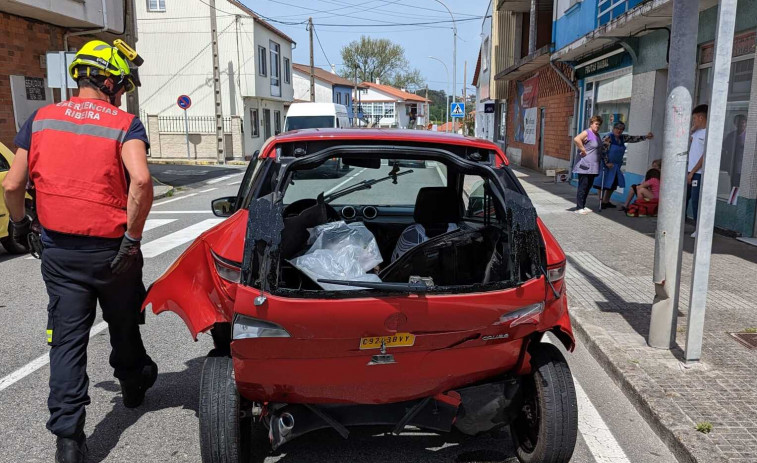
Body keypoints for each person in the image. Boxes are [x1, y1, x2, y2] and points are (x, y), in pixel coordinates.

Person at [1, 40, 155, 463]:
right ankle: (132, 382)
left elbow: (12, 185)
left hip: (61, 252)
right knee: (124, 320)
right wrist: (133, 239)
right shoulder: (125, 124)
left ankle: (69, 440)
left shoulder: (40, 119)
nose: (122, 92)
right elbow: (140, 182)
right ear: (109, 81)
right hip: (113, 252)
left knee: (66, 342)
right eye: (121, 84)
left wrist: (21, 226)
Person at [593, 122, 653, 208]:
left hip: (616, 165)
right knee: (602, 183)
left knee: (613, 184)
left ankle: (606, 201)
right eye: (617, 128)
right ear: (613, 128)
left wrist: (645, 137)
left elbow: (633, 138)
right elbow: (603, 151)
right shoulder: (608, 137)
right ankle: (601, 201)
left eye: (621, 129)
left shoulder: (622, 138)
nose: (619, 131)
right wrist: (606, 163)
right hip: (606, 165)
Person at [572, 115, 608, 214]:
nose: (598, 126)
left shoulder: (597, 135)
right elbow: (576, 139)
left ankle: (583, 205)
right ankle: (579, 207)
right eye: (596, 124)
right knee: (583, 186)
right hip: (585, 164)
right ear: (591, 124)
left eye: (599, 125)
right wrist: (583, 149)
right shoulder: (587, 132)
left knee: (588, 186)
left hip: (593, 166)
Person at [687, 104, 708, 238]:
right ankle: (679, 224)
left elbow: (704, 156)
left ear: (701, 117)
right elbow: (685, 138)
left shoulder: (708, 133)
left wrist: (693, 172)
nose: (693, 121)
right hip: (689, 171)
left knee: (696, 201)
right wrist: (692, 129)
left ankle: (699, 228)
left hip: (698, 174)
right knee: (684, 198)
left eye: (694, 118)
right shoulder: (697, 132)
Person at [722, 114, 746, 189]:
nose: (741, 124)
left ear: (746, 123)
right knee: (734, 187)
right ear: (735, 124)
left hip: (745, 168)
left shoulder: (749, 136)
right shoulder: (731, 135)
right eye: (738, 122)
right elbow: (725, 149)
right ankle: (733, 200)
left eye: (743, 122)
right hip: (734, 167)